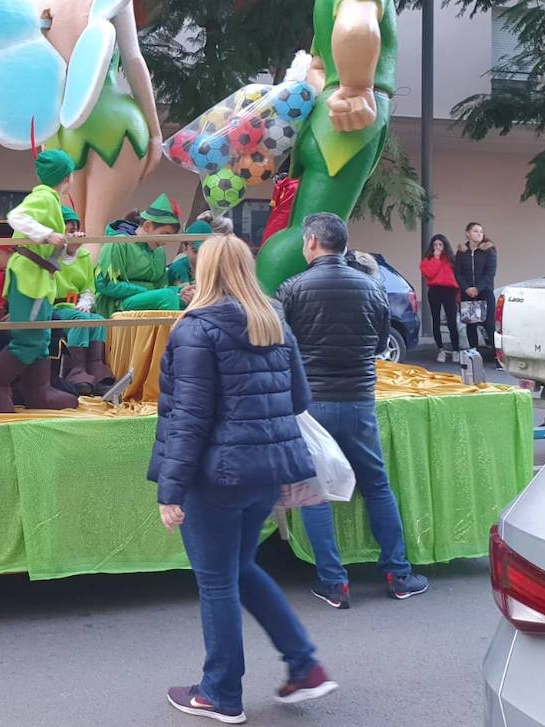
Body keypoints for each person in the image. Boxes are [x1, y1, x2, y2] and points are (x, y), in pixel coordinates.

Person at [257, 0, 492, 293]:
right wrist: (357, 88)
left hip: (337, 119)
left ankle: (270, 313)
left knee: (310, 226)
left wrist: (337, 85)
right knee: (316, 232)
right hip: (347, 123)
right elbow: (355, 26)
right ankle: (266, 311)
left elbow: (322, 56)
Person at [149, 233, 336, 722]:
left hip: (214, 479)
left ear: (203, 271)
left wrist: (170, 490)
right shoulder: (273, 320)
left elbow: (187, 418)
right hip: (264, 475)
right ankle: (303, 665)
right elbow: (298, 399)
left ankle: (220, 693)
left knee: (218, 582)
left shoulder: (195, 329)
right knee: (240, 571)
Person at [277, 212, 428, 607]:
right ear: (343, 244)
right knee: (376, 485)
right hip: (359, 398)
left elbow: (282, 346)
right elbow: (380, 342)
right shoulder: (372, 286)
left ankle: (334, 582)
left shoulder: (291, 288)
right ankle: (399, 573)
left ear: (311, 242)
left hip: (311, 402)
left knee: (315, 491)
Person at [36, 0, 166, 254]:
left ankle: (69, 310)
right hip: (118, 124)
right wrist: (157, 130)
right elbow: (134, 61)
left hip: (59, 129)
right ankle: (91, 313)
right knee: (96, 235)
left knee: (69, 236)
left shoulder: (38, 0)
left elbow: (34, 74)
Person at [0, 150, 79, 413]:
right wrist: (47, 234)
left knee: (41, 337)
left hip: (40, 278)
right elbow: (16, 217)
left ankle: (38, 391)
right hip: (30, 279)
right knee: (28, 339)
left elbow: (55, 255)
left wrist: (70, 248)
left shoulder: (51, 200)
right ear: (67, 176)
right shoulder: (43, 196)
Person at [51, 205, 113, 396]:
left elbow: (88, 285)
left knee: (99, 321)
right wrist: (67, 251)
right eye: (68, 230)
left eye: (74, 230)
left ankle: (96, 369)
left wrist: (85, 302)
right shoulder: (50, 252)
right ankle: (75, 372)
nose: (73, 234)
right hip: (56, 306)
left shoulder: (84, 255)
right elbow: (52, 270)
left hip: (77, 306)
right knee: (80, 321)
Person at [96, 194, 184, 315]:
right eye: (164, 234)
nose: (167, 242)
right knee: (168, 297)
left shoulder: (159, 253)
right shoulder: (118, 244)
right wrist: (144, 291)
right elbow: (104, 284)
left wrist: (180, 292)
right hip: (116, 304)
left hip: (146, 301)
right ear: (147, 226)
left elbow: (161, 287)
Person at [454, 222, 497, 360]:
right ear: (468, 233)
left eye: (481, 232)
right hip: (468, 294)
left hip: (484, 293)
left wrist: (478, 288)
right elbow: (458, 273)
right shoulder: (461, 252)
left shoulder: (488, 250)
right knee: (470, 324)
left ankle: (497, 356)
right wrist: (467, 288)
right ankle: (474, 353)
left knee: (489, 325)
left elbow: (490, 273)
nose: (479, 234)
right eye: (475, 231)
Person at [421, 234, 461, 361]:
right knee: (436, 320)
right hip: (435, 290)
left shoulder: (452, 260)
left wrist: (459, 296)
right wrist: (436, 258)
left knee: (452, 322)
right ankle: (441, 350)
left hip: (450, 291)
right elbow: (429, 274)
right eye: (435, 245)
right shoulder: (427, 260)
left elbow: (459, 278)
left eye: (440, 245)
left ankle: (456, 350)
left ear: (445, 246)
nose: (438, 247)